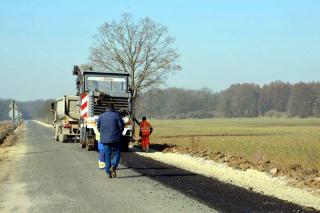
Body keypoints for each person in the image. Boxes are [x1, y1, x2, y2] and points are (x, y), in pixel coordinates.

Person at [97, 103, 124, 178]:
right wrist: (119, 133)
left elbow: (98, 127)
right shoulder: (117, 115)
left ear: (106, 108)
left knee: (107, 155)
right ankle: (114, 165)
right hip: (116, 139)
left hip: (105, 139)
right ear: (113, 108)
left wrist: (103, 133)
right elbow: (121, 126)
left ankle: (108, 170)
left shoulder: (101, 116)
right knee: (117, 152)